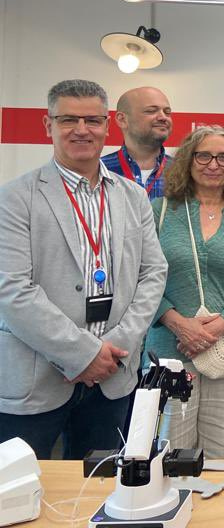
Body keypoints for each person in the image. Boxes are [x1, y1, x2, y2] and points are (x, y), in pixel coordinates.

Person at [0, 80, 167, 460]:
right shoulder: (14, 198)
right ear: (48, 125)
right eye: (68, 119)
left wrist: (116, 349)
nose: (81, 129)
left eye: (92, 120)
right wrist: (83, 354)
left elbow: (154, 272)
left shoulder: (132, 196)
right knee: (20, 499)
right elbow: (13, 290)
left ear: (108, 126)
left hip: (113, 377)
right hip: (35, 377)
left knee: (99, 493)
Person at [147, 126, 224, 459]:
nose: (213, 164)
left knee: (222, 457)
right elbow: (143, 279)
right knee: (169, 456)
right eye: (204, 155)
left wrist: (216, 327)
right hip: (169, 352)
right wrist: (179, 324)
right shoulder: (160, 211)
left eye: (223, 157)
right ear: (188, 160)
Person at [102, 86, 173, 197]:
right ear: (122, 119)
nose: (163, 117)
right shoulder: (100, 170)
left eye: (167, 112)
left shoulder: (184, 171)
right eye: (151, 111)